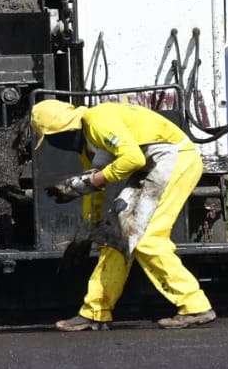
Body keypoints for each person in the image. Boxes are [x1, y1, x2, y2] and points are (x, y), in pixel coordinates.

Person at [31, 98, 215, 331]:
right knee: (115, 238)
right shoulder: (87, 146)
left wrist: (93, 180)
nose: (52, 144)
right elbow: (95, 191)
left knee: (148, 239)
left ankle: (195, 306)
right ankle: (96, 312)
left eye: (49, 138)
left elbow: (132, 159)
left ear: (63, 130)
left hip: (175, 158)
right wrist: (87, 232)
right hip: (153, 165)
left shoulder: (97, 120)